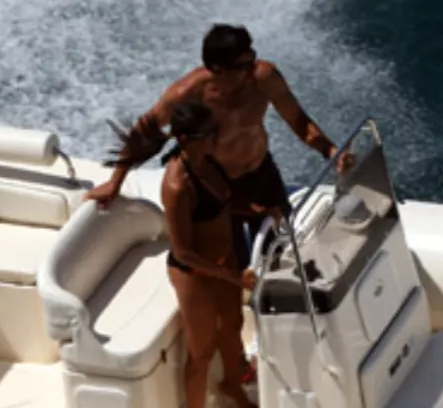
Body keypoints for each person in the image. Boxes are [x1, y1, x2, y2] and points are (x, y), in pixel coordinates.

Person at [87, 23, 353, 268]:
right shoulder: (187, 94)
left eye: (252, 58)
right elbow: (143, 133)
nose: (252, 69)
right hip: (216, 187)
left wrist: (331, 152)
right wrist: (115, 183)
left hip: (261, 173)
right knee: (230, 259)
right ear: (217, 69)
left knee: (282, 244)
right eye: (243, 66)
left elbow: (298, 120)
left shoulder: (264, 78)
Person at [158, 101, 259, 408]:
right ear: (186, 139)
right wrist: (232, 277)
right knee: (201, 352)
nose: (216, 138)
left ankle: (233, 386)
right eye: (209, 134)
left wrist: (259, 208)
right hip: (195, 273)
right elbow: (183, 251)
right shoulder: (177, 186)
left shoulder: (209, 162)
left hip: (223, 262)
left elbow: (223, 205)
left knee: (232, 327)